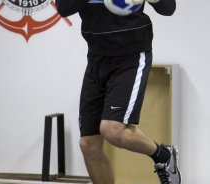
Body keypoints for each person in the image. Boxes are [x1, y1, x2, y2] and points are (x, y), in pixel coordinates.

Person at [55, 0, 181, 183]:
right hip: (96, 58)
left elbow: (168, 8)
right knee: (89, 146)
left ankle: (163, 156)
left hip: (131, 56)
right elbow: (64, 8)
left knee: (112, 130)